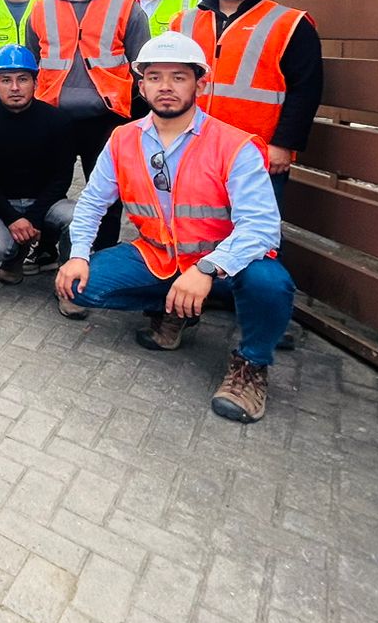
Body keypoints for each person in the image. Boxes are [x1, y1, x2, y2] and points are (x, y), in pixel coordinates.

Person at [55, 32, 291, 423]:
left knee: (271, 284)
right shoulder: (123, 139)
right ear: (141, 84)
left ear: (200, 83)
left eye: (178, 77)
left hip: (226, 266)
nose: (165, 87)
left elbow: (263, 227)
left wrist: (207, 268)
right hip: (160, 255)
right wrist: (78, 255)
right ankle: (173, 311)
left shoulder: (233, 145)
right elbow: (93, 203)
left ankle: (250, 365)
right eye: (155, 77)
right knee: (79, 286)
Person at [174, 0, 322, 213]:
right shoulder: (183, 23)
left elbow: (306, 90)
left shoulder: (290, 24)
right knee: (192, 224)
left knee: (256, 233)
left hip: (256, 152)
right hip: (189, 145)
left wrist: (283, 144)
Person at [26, 0, 150, 252]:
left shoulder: (126, 6)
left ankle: (104, 253)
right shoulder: (41, 8)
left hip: (107, 119)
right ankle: (47, 250)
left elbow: (144, 68)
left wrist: (132, 120)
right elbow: (33, 63)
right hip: (53, 117)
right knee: (48, 188)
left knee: (108, 191)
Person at [0, 45, 78, 286]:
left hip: (47, 202)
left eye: (23, 79)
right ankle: (13, 258)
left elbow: (62, 177)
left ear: (35, 82)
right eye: (6, 80)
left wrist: (34, 218)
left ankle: (69, 280)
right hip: (1, 204)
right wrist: (12, 219)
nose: (15, 87)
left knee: (80, 217)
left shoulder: (59, 122)